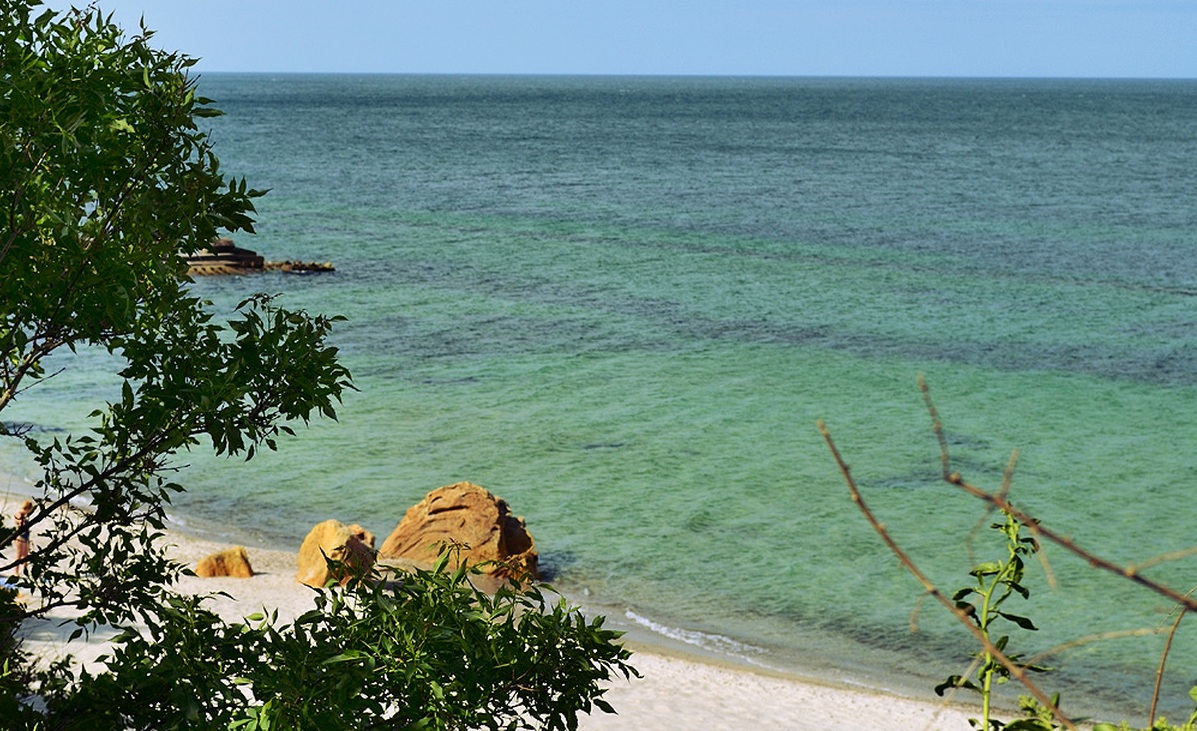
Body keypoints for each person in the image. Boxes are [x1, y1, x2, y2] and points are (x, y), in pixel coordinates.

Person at [12, 499, 32, 577]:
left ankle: (25, 571)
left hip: (26, 536)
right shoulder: (19, 515)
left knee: (26, 556)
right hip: (20, 537)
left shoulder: (24, 515)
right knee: (19, 555)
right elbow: (20, 524)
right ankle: (16, 572)